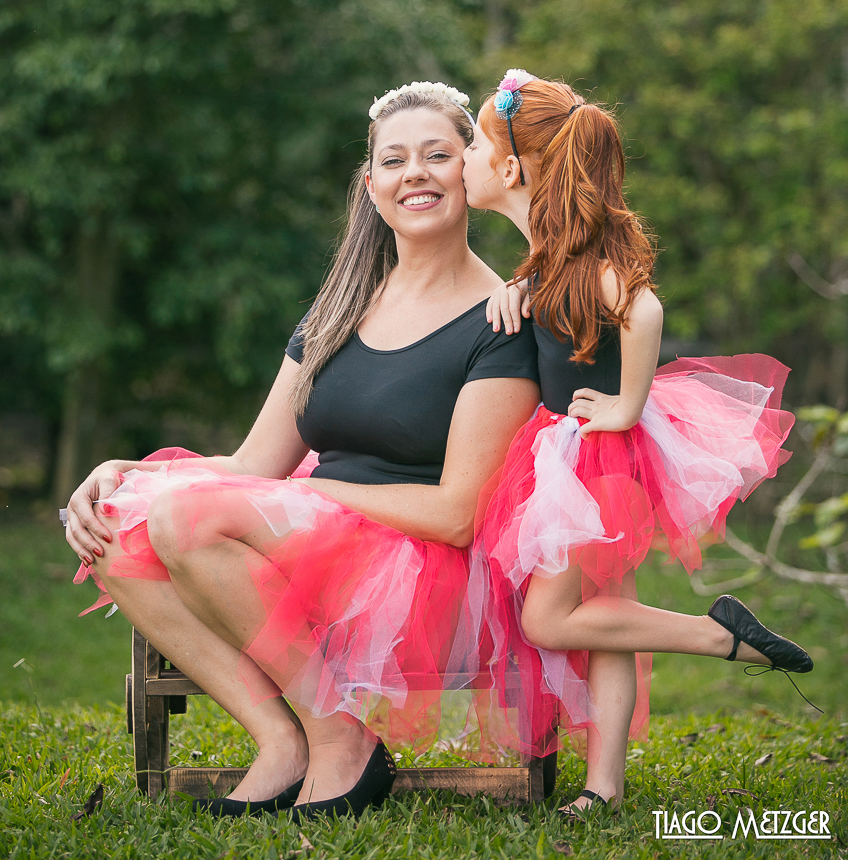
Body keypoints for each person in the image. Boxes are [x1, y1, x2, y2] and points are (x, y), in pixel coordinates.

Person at [64, 81, 540, 821]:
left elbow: (456, 514)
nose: (415, 172)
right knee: (119, 527)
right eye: (394, 160)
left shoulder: (502, 320)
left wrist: (312, 496)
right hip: (311, 541)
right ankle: (283, 741)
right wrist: (121, 474)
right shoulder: (339, 308)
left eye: (438, 155)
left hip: (423, 572)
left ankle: (340, 740)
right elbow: (253, 466)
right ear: (372, 185)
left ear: (470, 174)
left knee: (190, 523)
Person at [459, 69, 811, 817]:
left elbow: (641, 306)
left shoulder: (583, 265)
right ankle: (604, 785)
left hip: (590, 454)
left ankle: (719, 636)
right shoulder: (555, 257)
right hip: (582, 455)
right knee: (606, 613)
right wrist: (517, 288)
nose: (462, 159)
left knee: (548, 619)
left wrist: (628, 405)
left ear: (512, 168)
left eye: (471, 145)